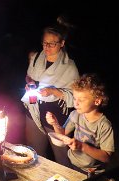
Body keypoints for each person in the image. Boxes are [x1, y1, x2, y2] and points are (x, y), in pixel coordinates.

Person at [21, 20, 79, 166]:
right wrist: (30, 83)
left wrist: (53, 91)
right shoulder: (36, 58)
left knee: (61, 156)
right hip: (34, 108)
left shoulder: (69, 67)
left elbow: (77, 97)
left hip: (55, 114)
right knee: (34, 151)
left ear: (62, 43)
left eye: (52, 43)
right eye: (44, 43)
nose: (47, 47)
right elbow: (29, 75)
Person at [46, 73, 114, 174]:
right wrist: (55, 124)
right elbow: (63, 135)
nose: (76, 103)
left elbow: (107, 157)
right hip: (72, 163)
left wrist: (82, 146)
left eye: (81, 100)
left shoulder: (104, 126)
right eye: (74, 98)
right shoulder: (75, 114)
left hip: (91, 172)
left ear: (97, 101)